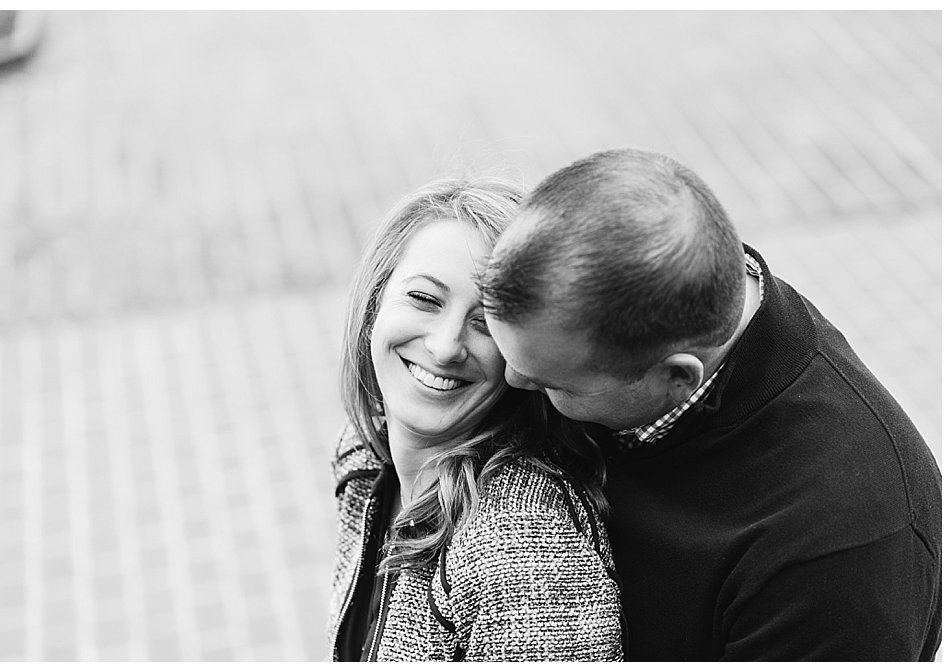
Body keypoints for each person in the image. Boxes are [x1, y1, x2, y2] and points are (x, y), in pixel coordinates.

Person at [479, 148, 941, 661]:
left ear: (677, 378)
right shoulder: (638, 302)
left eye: (553, 387)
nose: (511, 379)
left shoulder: (837, 555)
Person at [327, 177, 624, 662]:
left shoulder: (523, 550)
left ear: (524, 356)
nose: (445, 347)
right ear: (374, 304)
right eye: (424, 299)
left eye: (485, 322)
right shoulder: (364, 453)